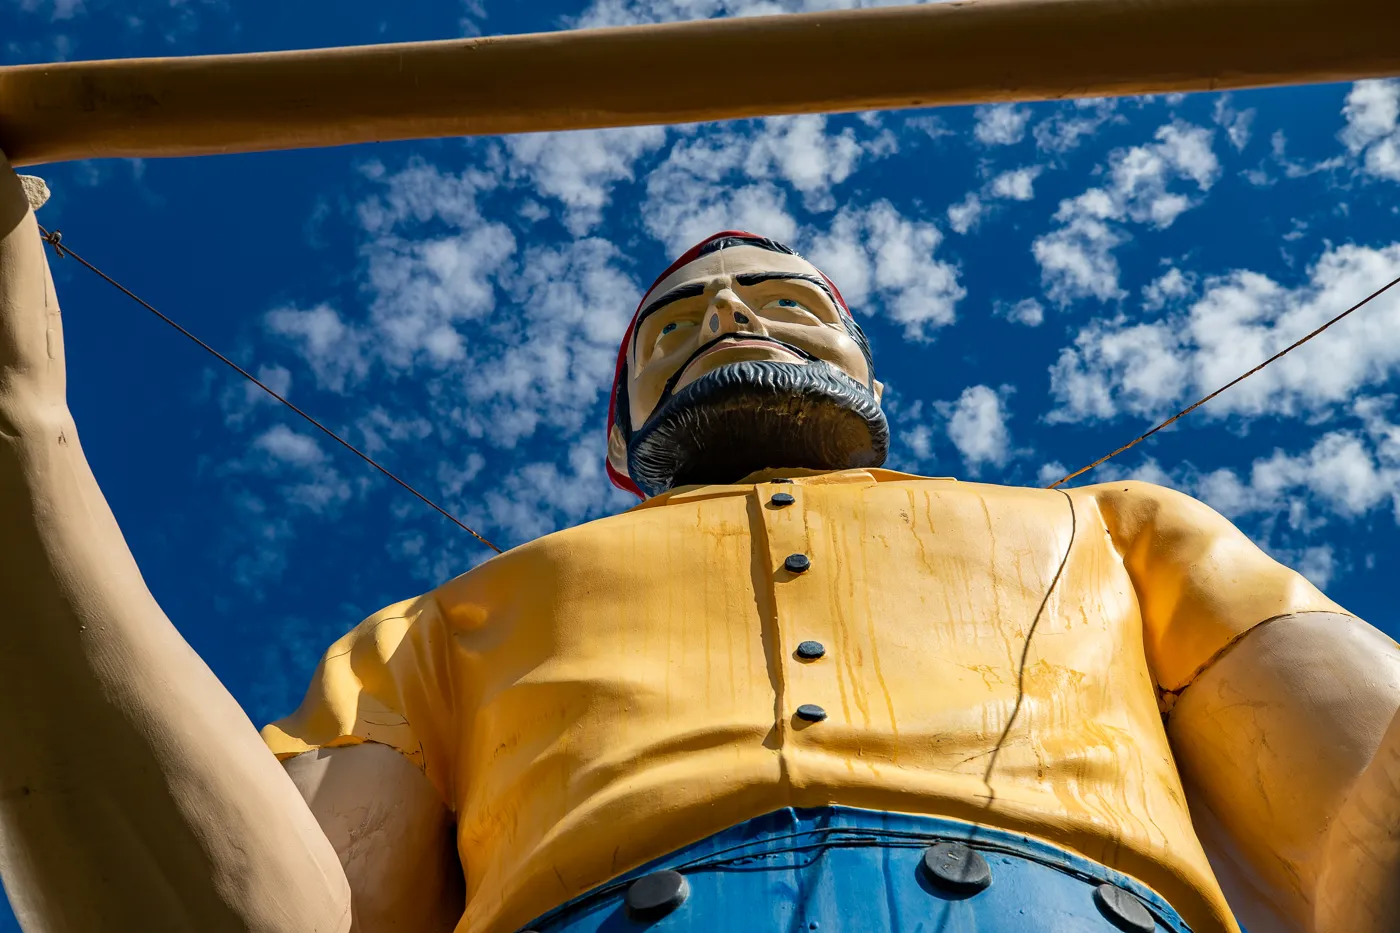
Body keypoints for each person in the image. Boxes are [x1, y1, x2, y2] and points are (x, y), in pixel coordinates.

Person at [1, 154, 1398, 933]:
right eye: (680, 329)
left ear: (866, 361)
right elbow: (285, 915)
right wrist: (23, 438)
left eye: (789, 305)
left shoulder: (1116, 533)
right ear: (626, 428)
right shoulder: (452, 621)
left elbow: (1352, 825)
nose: (737, 322)